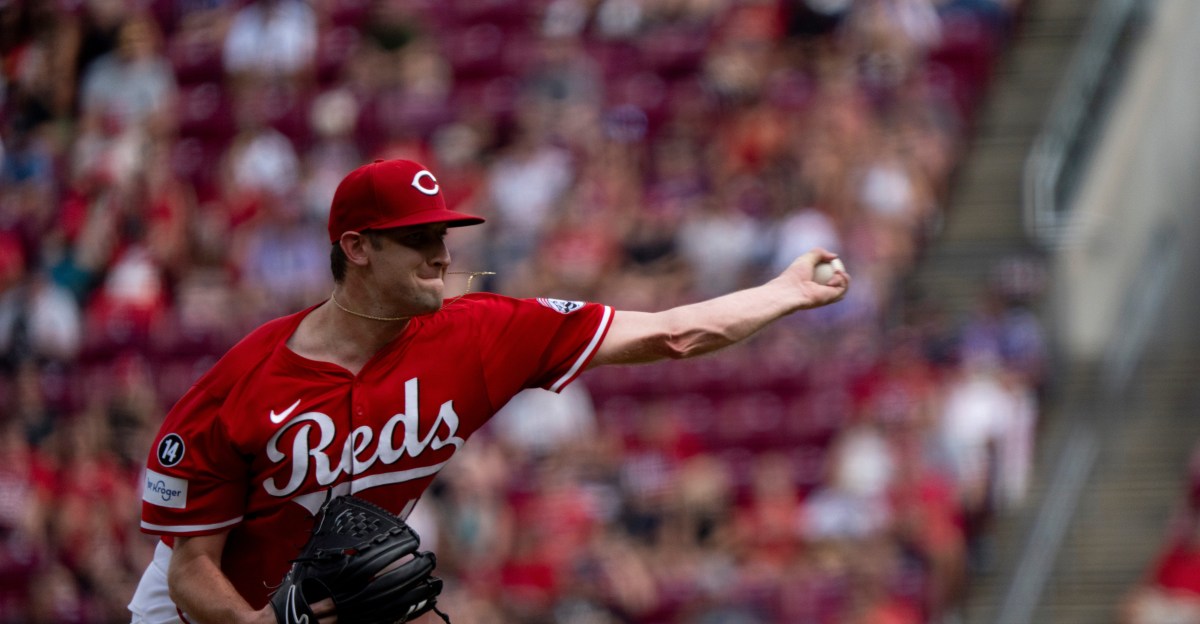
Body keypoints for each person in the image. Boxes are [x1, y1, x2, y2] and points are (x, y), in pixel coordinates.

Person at [127, 158, 850, 623]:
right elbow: (190, 565)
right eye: (416, 239)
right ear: (356, 248)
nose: (442, 254)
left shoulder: (481, 334)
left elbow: (669, 333)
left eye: (443, 234)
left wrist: (783, 292)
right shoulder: (242, 384)